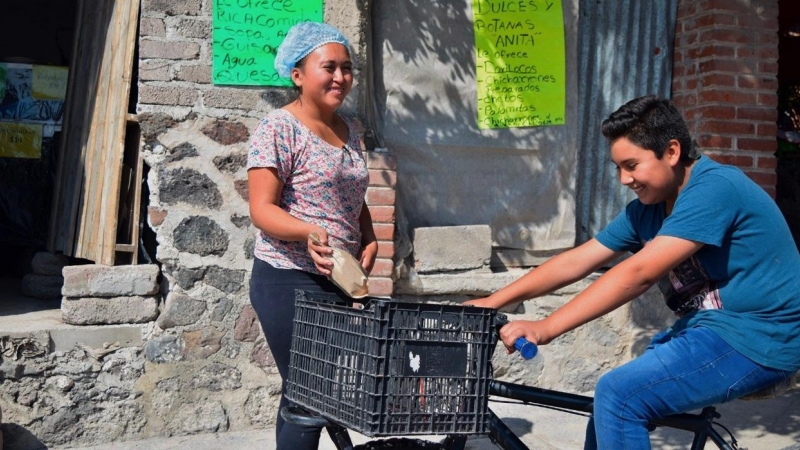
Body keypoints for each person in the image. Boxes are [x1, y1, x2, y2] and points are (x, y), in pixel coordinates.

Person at [466, 95, 800, 449]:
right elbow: (578, 260)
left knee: (621, 396)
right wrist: (493, 301)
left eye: (632, 165)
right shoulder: (647, 210)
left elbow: (637, 273)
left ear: (671, 152)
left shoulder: (715, 188)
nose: (624, 179)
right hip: (709, 330)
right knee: (611, 400)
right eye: (617, 168)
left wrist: (545, 327)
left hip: (761, 335)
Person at [247, 21, 378, 450]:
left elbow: (353, 198)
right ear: (298, 74)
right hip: (288, 277)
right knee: (308, 391)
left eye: (347, 67)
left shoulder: (351, 130)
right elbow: (262, 209)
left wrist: (369, 239)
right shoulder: (278, 128)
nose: (341, 77)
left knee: (307, 394)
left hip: (338, 280)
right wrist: (308, 233)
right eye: (329, 67)